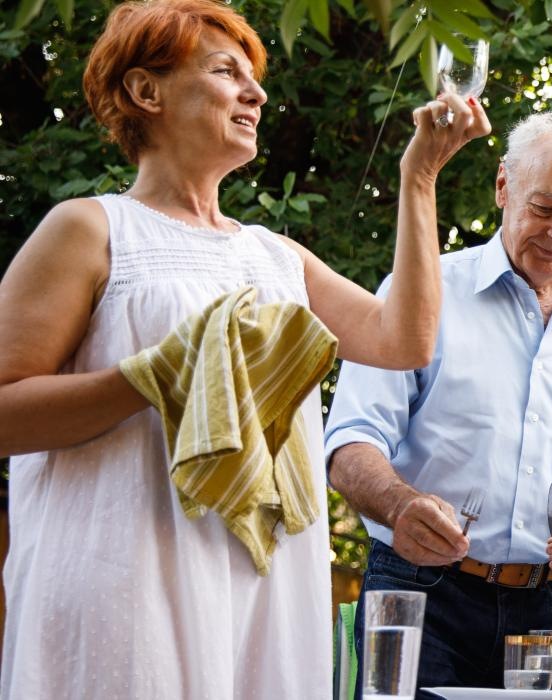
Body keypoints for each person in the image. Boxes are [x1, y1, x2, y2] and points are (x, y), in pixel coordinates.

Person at [0, 0, 486, 696]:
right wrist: (151, 377)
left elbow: (404, 340)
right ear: (147, 91)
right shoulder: (89, 228)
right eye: (228, 72)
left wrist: (420, 177)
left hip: (265, 588)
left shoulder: (273, 255)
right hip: (127, 582)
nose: (257, 93)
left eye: (253, 78)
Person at [324, 111, 552, 691]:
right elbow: (350, 441)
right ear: (503, 185)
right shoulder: (422, 293)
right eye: (545, 208)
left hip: (549, 609)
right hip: (417, 588)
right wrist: (399, 505)